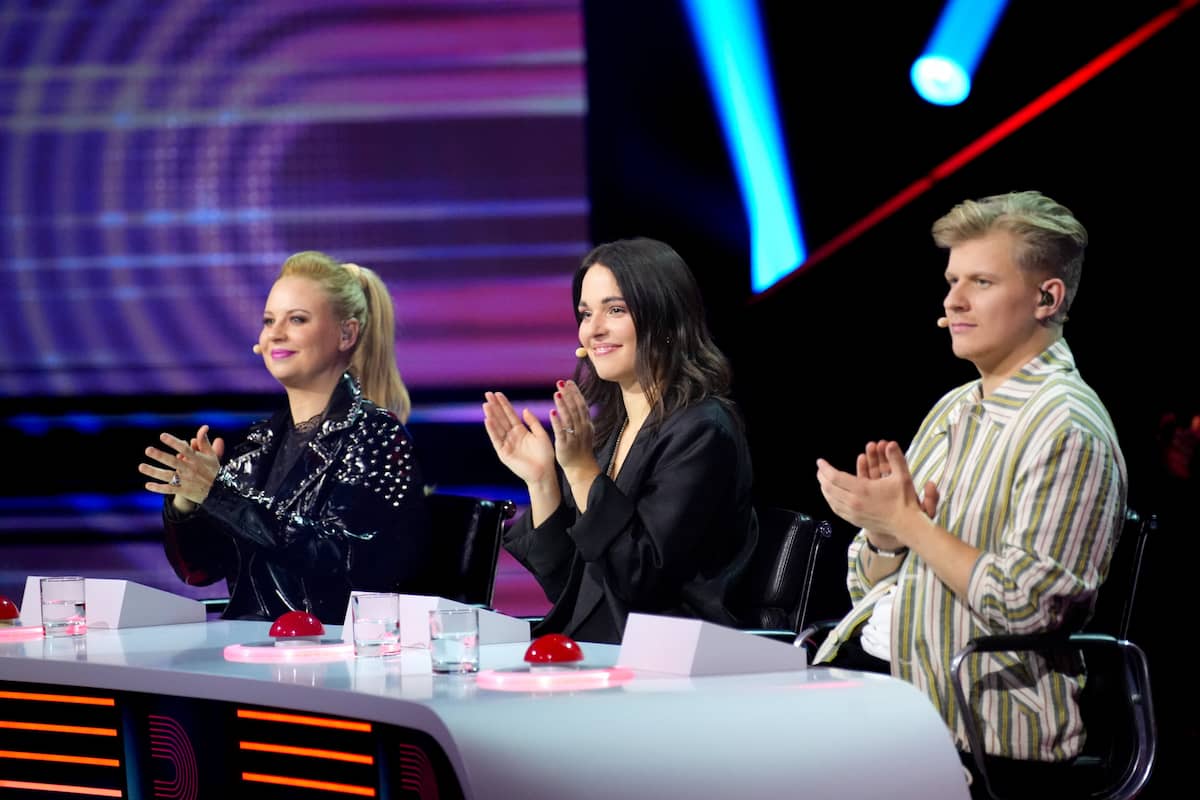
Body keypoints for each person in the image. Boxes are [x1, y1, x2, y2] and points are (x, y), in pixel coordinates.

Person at [812, 191, 1127, 798]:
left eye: (980, 281)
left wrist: (911, 524)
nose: (953, 300)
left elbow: (1030, 607)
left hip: (975, 726)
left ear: (1047, 297)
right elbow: (868, 584)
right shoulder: (955, 407)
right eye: (953, 280)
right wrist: (883, 534)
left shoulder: (1067, 426)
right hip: (886, 689)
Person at [482, 237, 758, 645]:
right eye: (585, 313)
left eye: (615, 310)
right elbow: (573, 588)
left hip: (669, 659)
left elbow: (640, 582)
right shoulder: (612, 430)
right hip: (601, 648)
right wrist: (542, 482)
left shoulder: (703, 430)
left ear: (664, 318)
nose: (593, 329)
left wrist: (580, 471)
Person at [137, 251, 432, 624]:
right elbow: (200, 570)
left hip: (334, 656)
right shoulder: (259, 444)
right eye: (269, 321)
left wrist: (219, 496)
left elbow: (340, 559)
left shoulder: (375, 435)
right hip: (253, 649)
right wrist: (188, 503)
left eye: (297, 320)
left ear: (346, 334)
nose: (276, 333)